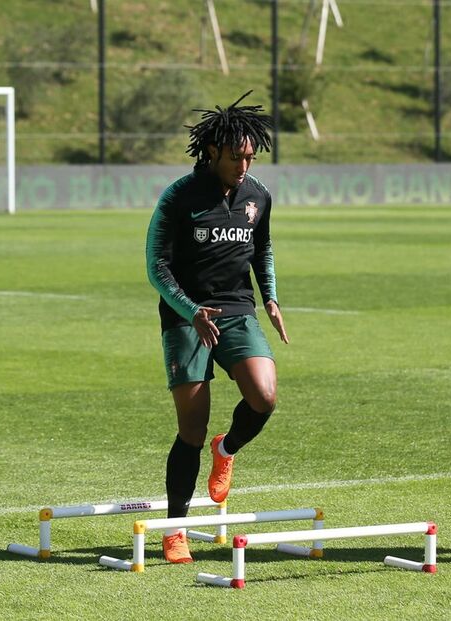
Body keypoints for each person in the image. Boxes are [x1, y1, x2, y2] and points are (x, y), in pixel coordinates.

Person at [146, 91, 289, 564]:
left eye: (249, 157)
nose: (244, 166)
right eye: (235, 157)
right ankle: (176, 528)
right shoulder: (179, 197)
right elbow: (156, 266)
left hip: (236, 310)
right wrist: (190, 310)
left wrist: (268, 294)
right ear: (212, 152)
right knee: (191, 426)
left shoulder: (258, 196)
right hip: (188, 316)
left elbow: (261, 248)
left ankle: (225, 450)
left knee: (264, 397)